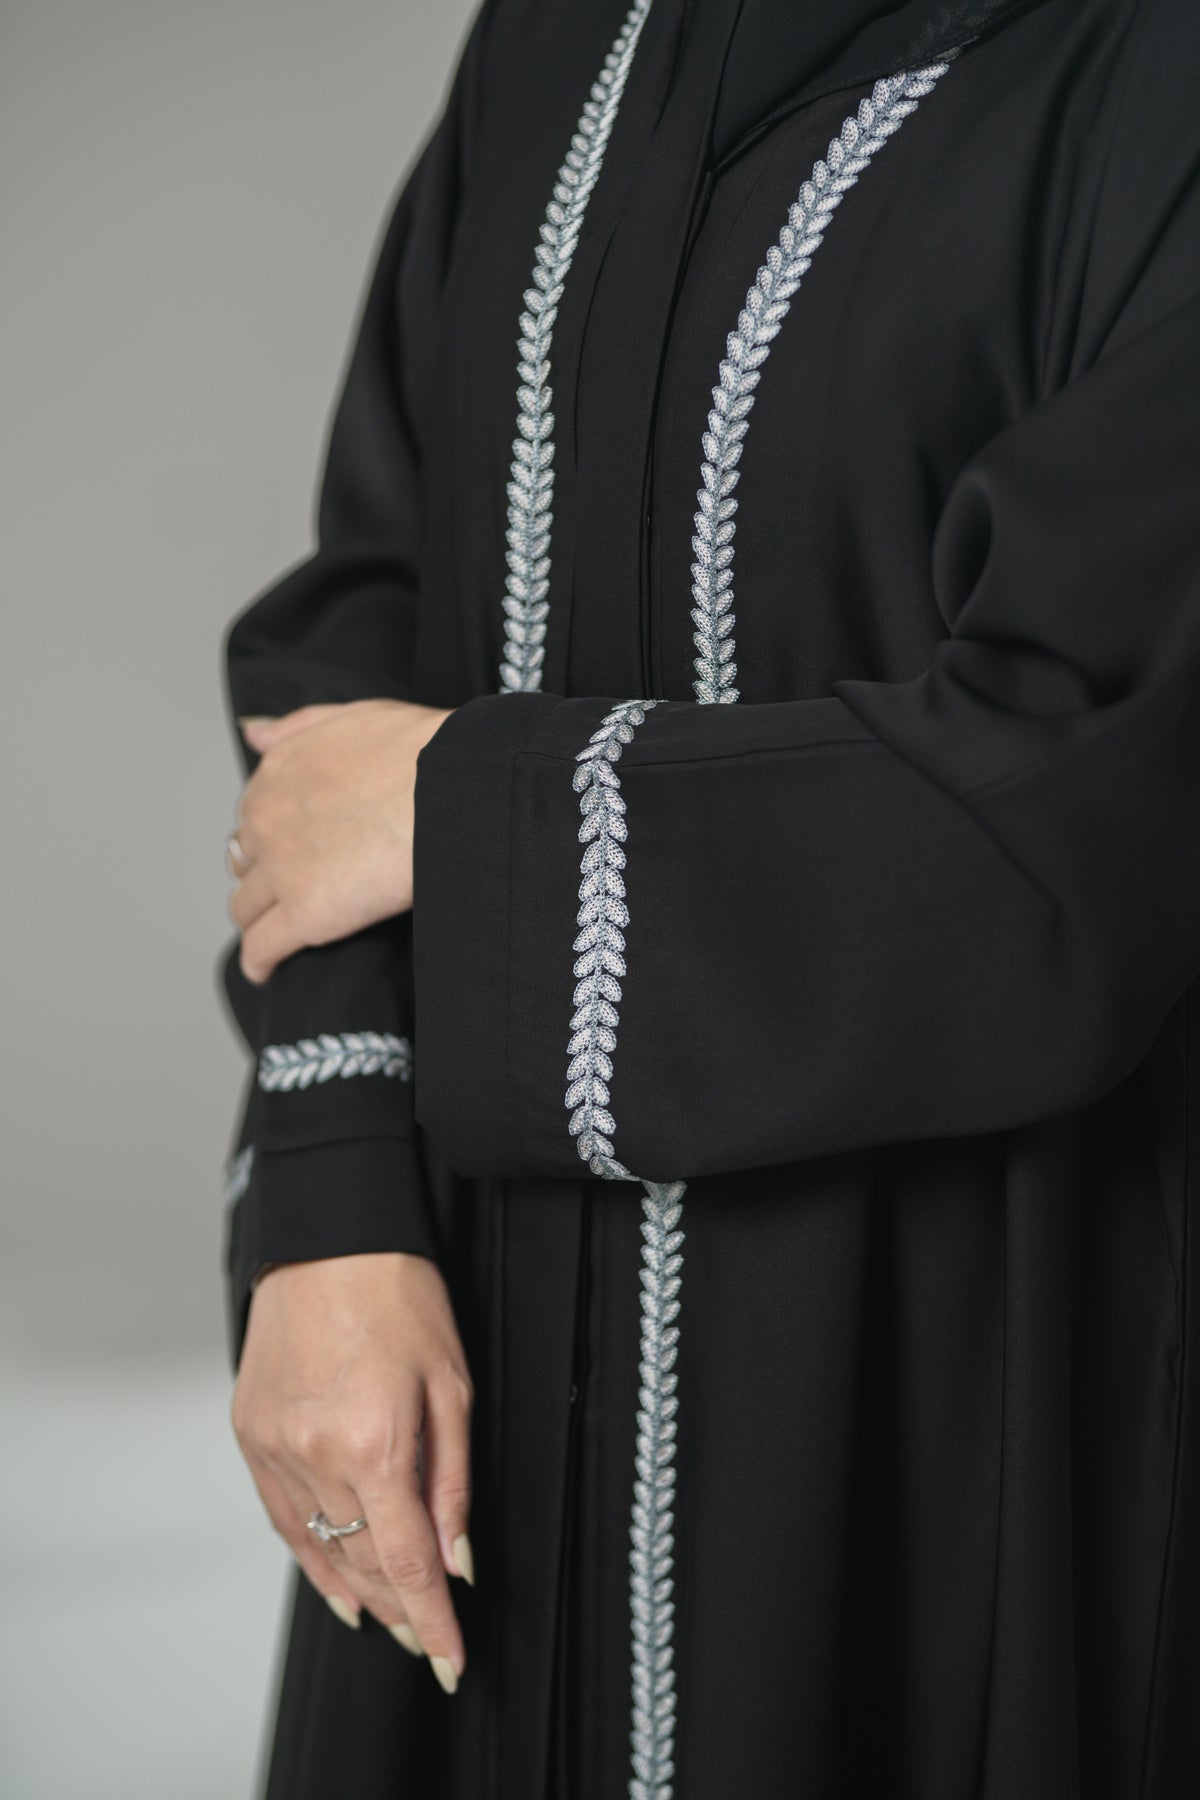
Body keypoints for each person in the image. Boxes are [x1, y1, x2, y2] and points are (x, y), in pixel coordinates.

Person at [216, 0, 1200, 1794]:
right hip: (470, 1384)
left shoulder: (1149, 79)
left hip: (952, 1393)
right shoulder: (557, 40)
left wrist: (469, 816)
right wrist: (333, 1216)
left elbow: (1092, 806)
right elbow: (352, 648)